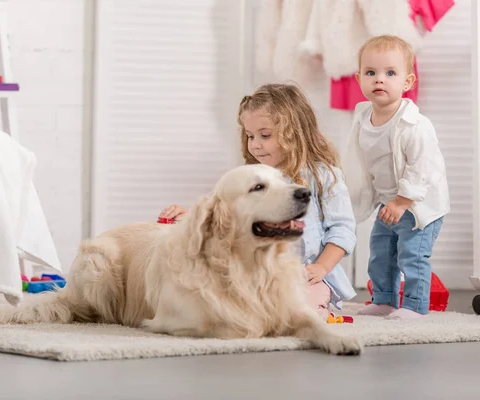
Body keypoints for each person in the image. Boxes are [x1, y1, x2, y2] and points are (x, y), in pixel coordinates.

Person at [159, 83, 357, 317]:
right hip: (259, 274)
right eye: (250, 135)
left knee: (301, 309)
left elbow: (342, 229)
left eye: (265, 135)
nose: (255, 144)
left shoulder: (324, 175)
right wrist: (192, 215)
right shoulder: (253, 178)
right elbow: (228, 212)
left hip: (306, 275)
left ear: (294, 132)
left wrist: (322, 267)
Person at [342, 34, 450, 319]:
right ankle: (385, 299)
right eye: (371, 72)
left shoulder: (414, 124)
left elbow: (421, 167)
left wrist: (403, 201)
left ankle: (415, 306)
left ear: (407, 82)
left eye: (390, 73)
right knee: (381, 252)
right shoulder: (363, 117)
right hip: (388, 203)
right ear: (358, 79)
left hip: (417, 206)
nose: (380, 79)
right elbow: (360, 161)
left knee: (412, 256)